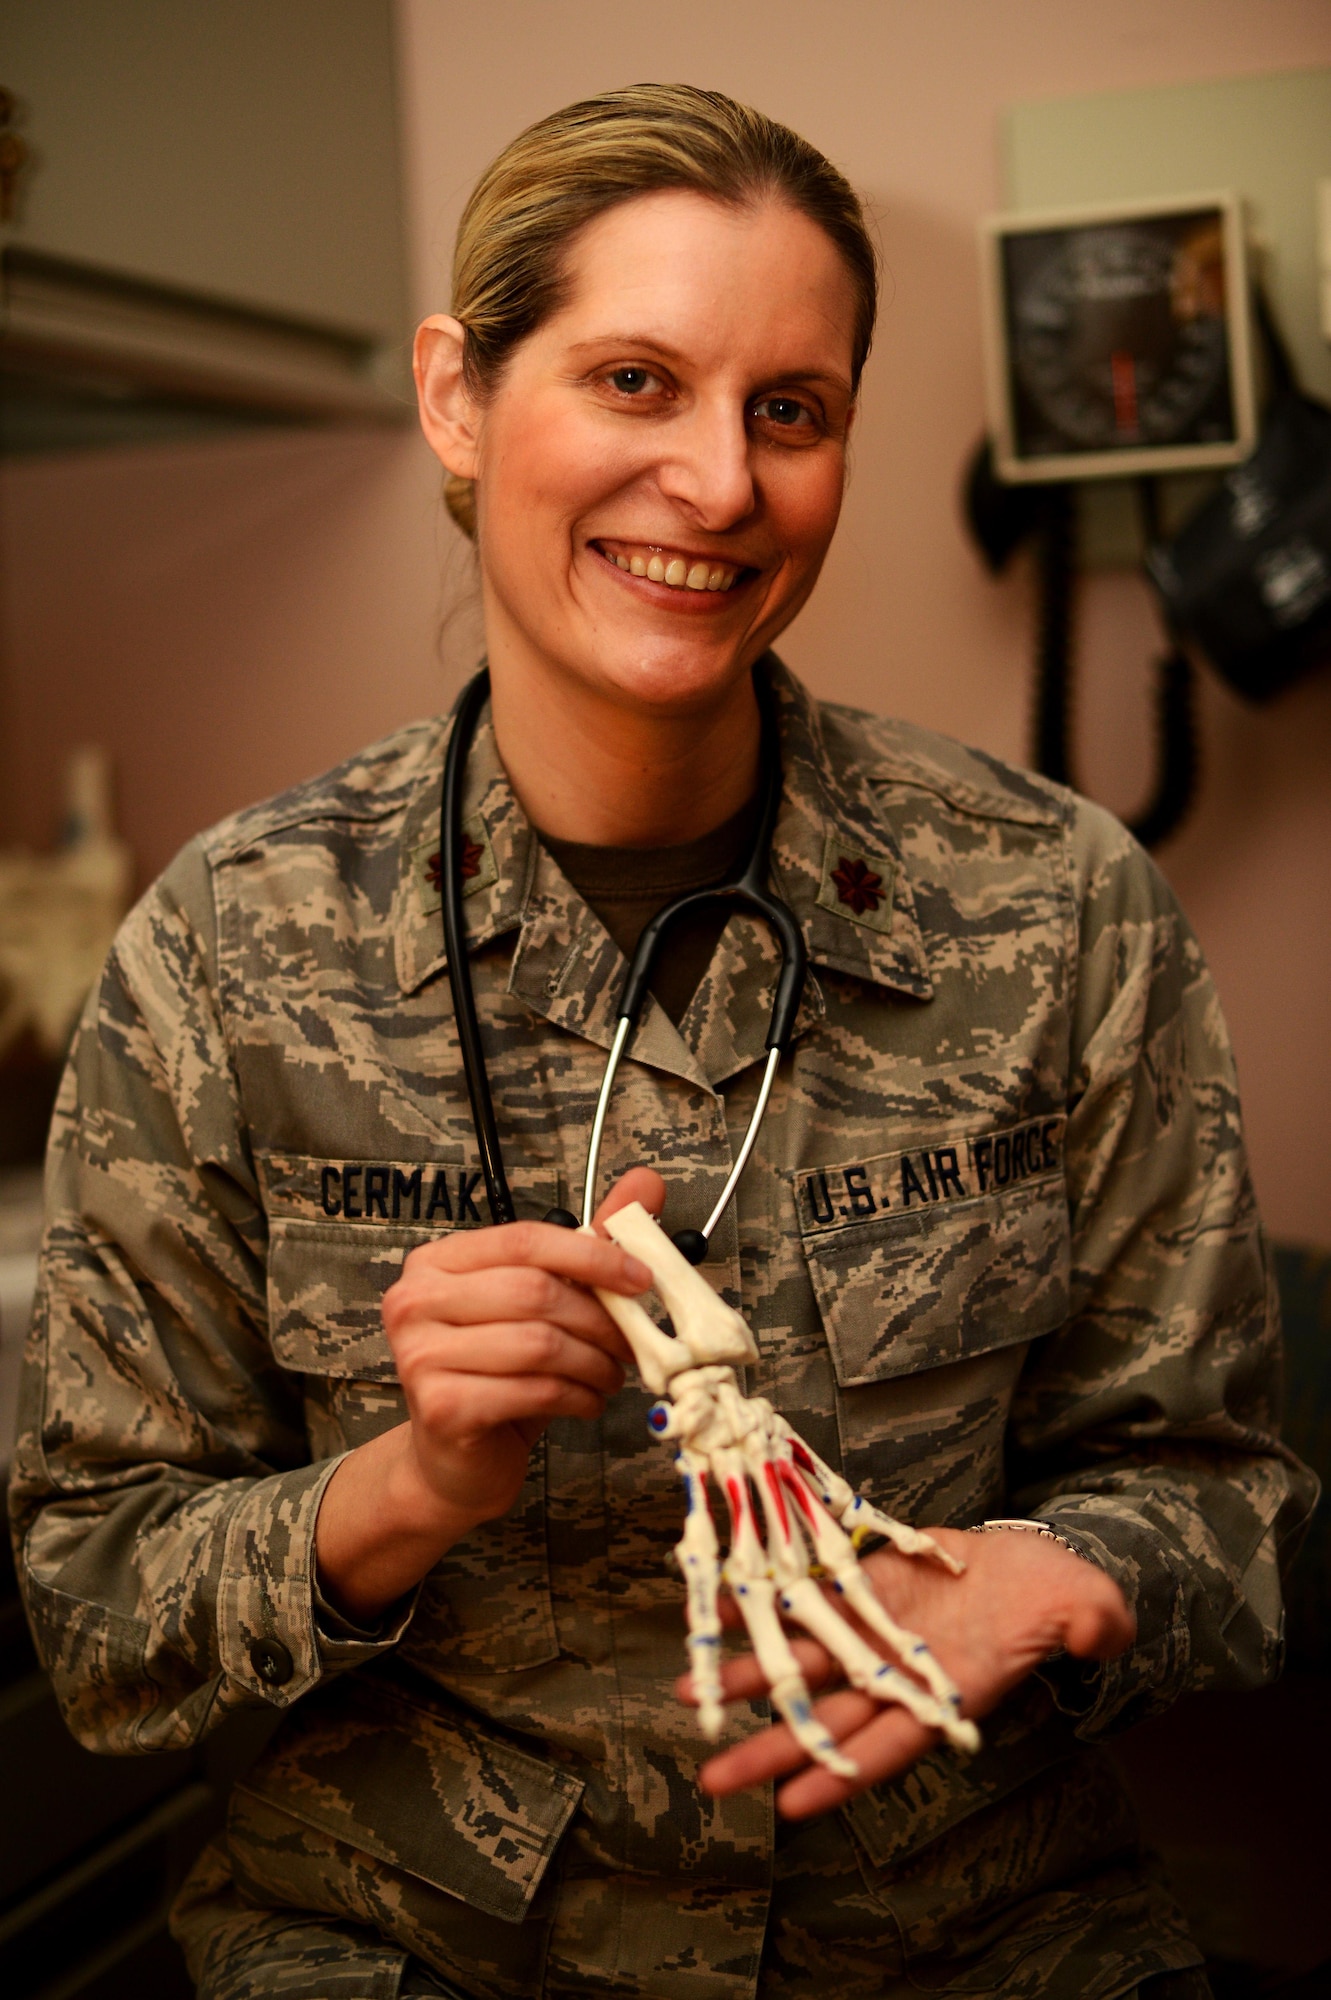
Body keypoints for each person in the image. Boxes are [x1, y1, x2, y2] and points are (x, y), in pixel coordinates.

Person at [8, 84, 1314, 2000]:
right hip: (413, 1946)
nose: (719, 484)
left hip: (976, 1931)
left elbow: (1232, 1497)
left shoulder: (1059, 909)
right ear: (461, 398)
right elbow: (102, 1616)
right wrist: (410, 1489)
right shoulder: (223, 952)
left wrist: (1072, 1577)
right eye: (635, 381)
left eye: (791, 410)